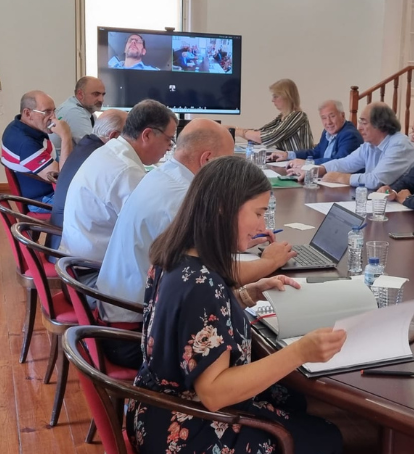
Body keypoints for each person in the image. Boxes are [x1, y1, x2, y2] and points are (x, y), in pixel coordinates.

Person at [127, 157, 346, 454]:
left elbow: (188, 325)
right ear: (223, 208)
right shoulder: (202, 285)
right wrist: (301, 351)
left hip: (155, 408)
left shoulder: (176, 254)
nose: (262, 226)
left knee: (291, 399)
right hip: (188, 429)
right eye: (258, 213)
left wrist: (244, 295)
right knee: (326, 437)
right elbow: (214, 393)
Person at [97, 120, 297, 368]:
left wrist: (237, 235)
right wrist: (269, 262)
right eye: (227, 163)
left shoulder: (164, 176)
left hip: (134, 318)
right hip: (131, 334)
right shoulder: (182, 200)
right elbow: (216, 275)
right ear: (208, 160)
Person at [59, 100, 178, 263]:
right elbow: (153, 232)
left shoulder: (110, 150)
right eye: (168, 140)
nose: (170, 147)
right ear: (147, 135)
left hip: (76, 257)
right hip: (93, 269)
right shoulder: (126, 170)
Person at [48, 109, 126, 248]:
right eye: (129, 135)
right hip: (67, 245)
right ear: (113, 136)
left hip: (62, 234)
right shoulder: (101, 158)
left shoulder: (86, 145)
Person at [301, 102, 414, 189]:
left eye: (364, 123)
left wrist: (341, 177)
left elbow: (376, 180)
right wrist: (320, 169)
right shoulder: (369, 145)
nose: (359, 128)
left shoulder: (400, 145)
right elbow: (346, 163)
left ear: (381, 125)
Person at [1, 90, 72, 210]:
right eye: (47, 112)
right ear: (28, 113)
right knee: (95, 205)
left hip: (48, 192)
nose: (54, 117)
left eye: (54, 111)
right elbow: (62, 179)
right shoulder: (25, 143)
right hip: (43, 200)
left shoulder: (18, 126)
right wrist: (66, 136)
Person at [268, 100, 363, 167]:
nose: (328, 122)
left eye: (332, 116)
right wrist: (287, 155)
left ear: (342, 115)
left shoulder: (349, 135)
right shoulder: (327, 131)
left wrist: (307, 163)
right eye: (324, 118)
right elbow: (316, 152)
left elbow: (339, 162)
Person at [227, 79, 313, 152]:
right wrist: (235, 129)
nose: (272, 100)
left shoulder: (298, 116)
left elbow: (269, 137)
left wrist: (238, 131)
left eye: (276, 96)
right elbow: (260, 133)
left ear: (287, 97)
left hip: (300, 162)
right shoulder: (280, 118)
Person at [50, 76, 105, 158]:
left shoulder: (88, 112)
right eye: (96, 94)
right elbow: (92, 148)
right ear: (80, 94)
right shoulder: (74, 112)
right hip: (61, 162)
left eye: (103, 94)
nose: (101, 99)